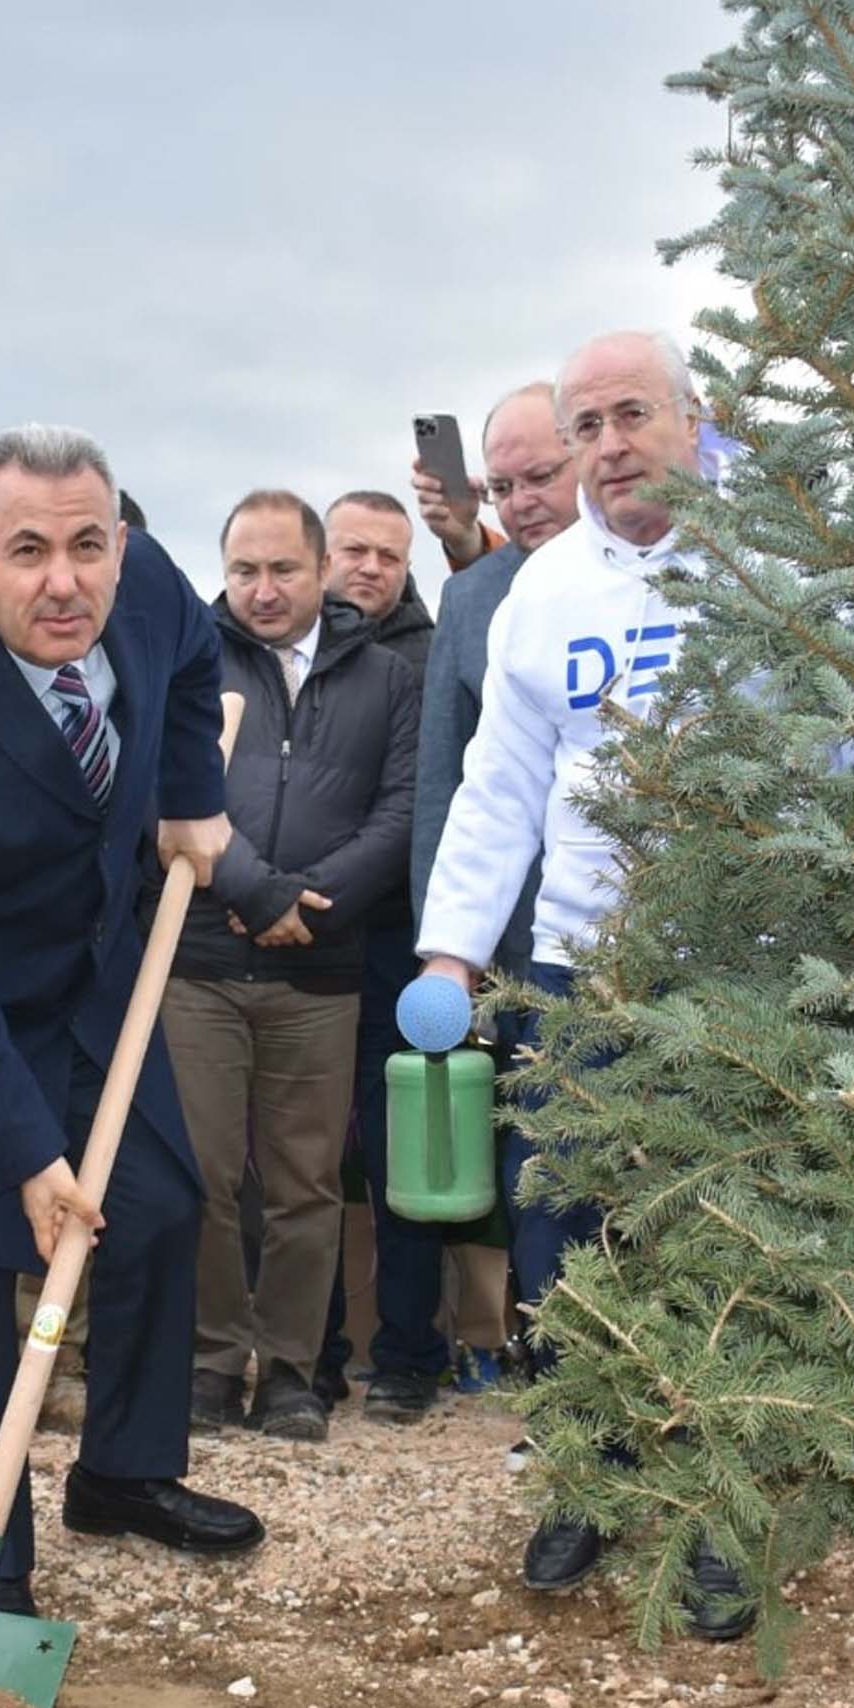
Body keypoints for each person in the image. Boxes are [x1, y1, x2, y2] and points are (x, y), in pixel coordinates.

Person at [0, 425, 265, 1616]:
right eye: (27, 550)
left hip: (89, 970)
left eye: (86, 545)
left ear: (121, 544)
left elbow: (187, 676)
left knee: (163, 1202)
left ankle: (123, 1473)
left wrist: (191, 797)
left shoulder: (154, 587)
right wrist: (26, 1155)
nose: (63, 579)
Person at [416, 330, 752, 1638]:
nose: (613, 445)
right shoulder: (543, 592)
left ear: (691, 420)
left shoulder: (765, 569)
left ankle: (724, 1511)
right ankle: (588, 1479)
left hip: (736, 976)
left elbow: (838, 755)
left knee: (724, 1243)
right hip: (575, 973)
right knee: (561, 1238)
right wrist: (451, 949)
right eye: (590, 425)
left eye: (634, 416)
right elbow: (500, 783)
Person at [168, 489, 416, 1439]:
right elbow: (173, 790)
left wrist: (307, 901)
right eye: (243, 571)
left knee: (308, 1182)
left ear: (322, 572)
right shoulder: (190, 663)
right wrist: (254, 891)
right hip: (197, 963)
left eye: (282, 570)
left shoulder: (387, 679)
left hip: (322, 969)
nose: (262, 591)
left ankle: (291, 1371)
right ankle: (211, 1361)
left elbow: (400, 812)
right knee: (206, 1174)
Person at [373, 382, 584, 1422]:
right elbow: (447, 789)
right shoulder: (473, 596)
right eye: (506, 483)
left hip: (654, 941)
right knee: (531, 1171)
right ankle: (553, 1393)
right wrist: (442, 947)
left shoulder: (682, 576)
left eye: (543, 474)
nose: (527, 498)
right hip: (511, 945)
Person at [314, 488, 441, 1405]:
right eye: (353, 549)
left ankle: (407, 1356)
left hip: (401, 929)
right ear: (322, 554)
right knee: (303, 1153)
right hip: (295, 933)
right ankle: (306, 1356)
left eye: (388, 555)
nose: (369, 567)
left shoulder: (433, 656)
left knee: (405, 1153)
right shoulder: (279, 646)